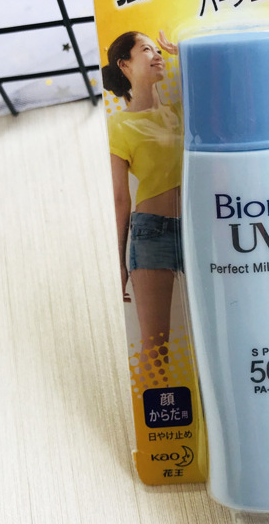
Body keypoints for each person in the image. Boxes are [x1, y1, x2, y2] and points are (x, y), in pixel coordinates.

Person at [102, 30, 182, 370]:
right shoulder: (118, 126)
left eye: (158, 50)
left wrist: (185, 52)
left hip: (201, 228)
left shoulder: (183, 109)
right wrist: (119, 262)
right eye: (147, 49)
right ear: (124, 65)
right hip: (151, 234)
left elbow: (225, 86)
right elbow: (120, 199)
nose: (157, 55)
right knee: (155, 350)